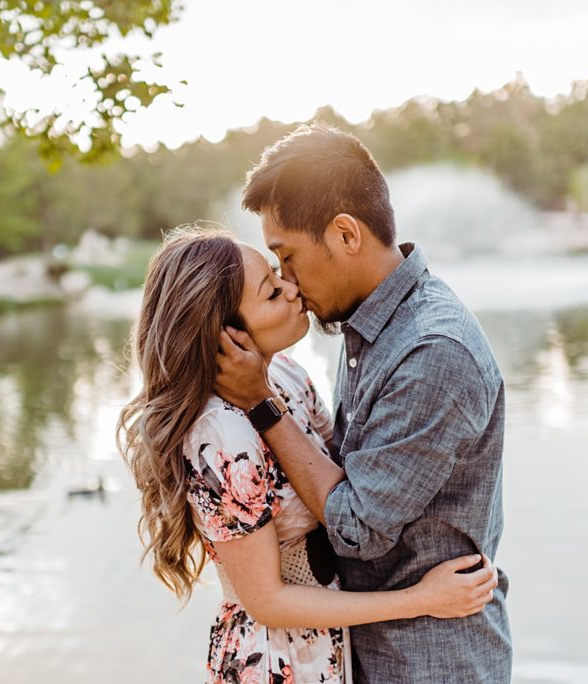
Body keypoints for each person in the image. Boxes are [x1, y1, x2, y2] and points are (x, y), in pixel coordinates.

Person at [118, 226, 499, 684]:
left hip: (326, 646)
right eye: (272, 293)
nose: (293, 289)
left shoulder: (285, 376)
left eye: (281, 276)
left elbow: (346, 485)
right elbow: (268, 602)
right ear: (228, 337)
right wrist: (422, 599)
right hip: (277, 660)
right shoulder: (220, 435)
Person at [214, 125, 512, 683]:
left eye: (288, 256)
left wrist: (260, 404)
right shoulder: (374, 329)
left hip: (429, 662)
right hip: (372, 653)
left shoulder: (430, 353)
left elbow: (355, 528)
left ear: (346, 234)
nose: (288, 282)